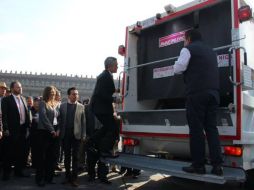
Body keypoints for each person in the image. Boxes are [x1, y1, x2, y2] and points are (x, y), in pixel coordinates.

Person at [173, 29, 223, 176]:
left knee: (196, 130)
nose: (183, 41)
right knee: (212, 129)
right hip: (214, 93)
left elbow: (178, 68)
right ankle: (217, 166)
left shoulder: (187, 49)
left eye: (184, 39)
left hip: (197, 94)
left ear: (188, 38)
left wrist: (176, 64)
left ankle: (198, 166)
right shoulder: (212, 52)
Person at [89, 56, 119, 184]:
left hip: (102, 108)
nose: (117, 67)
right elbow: (101, 93)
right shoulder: (105, 76)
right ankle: (103, 149)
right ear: (110, 66)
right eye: (116, 65)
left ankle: (93, 142)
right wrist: (113, 99)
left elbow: (106, 91)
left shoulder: (106, 75)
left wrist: (116, 91)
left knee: (108, 128)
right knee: (113, 128)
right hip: (101, 109)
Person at [1, 81, 31, 180]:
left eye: (20, 87)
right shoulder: (6, 100)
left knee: (20, 153)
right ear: (12, 88)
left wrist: (27, 128)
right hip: (11, 130)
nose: (20, 88)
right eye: (18, 87)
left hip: (22, 129)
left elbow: (26, 114)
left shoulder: (23, 99)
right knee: (9, 153)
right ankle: (6, 173)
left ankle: (18, 171)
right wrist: (5, 128)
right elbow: (4, 116)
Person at [59, 87, 86, 187]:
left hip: (77, 136)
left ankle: (74, 178)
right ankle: (67, 176)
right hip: (65, 135)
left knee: (75, 157)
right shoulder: (62, 106)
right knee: (66, 157)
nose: (76, 96)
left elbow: (84, 122)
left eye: (77, 94)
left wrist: (83, 135)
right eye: (74, 94)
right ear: (68, 95)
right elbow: (60, 120)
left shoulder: (81, 107)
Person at [35, 86, 60, 186]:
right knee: (42, 157)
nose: (53, 94)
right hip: (44, 133)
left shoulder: (56, 104)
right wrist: (52, 130)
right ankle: (39, 179)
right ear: (47, 93)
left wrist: (58, 130)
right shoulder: (42, 103)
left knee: (51, 157)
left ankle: (49, 178)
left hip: (54, 133)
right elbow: (44, 118)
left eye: (54, 93)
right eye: (51, 93)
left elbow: (60, 118)